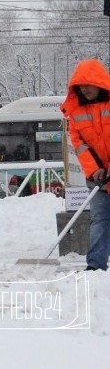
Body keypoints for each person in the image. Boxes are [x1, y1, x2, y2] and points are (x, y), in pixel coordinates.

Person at [61, 58, 110, 271]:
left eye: (89, 83)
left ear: (99, 82)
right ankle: (95, 265)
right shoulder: (75, 112)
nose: (85, 89)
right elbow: (79, 145)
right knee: (100, 219)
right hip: (98, 177)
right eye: (81, 85)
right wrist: (94, 170)